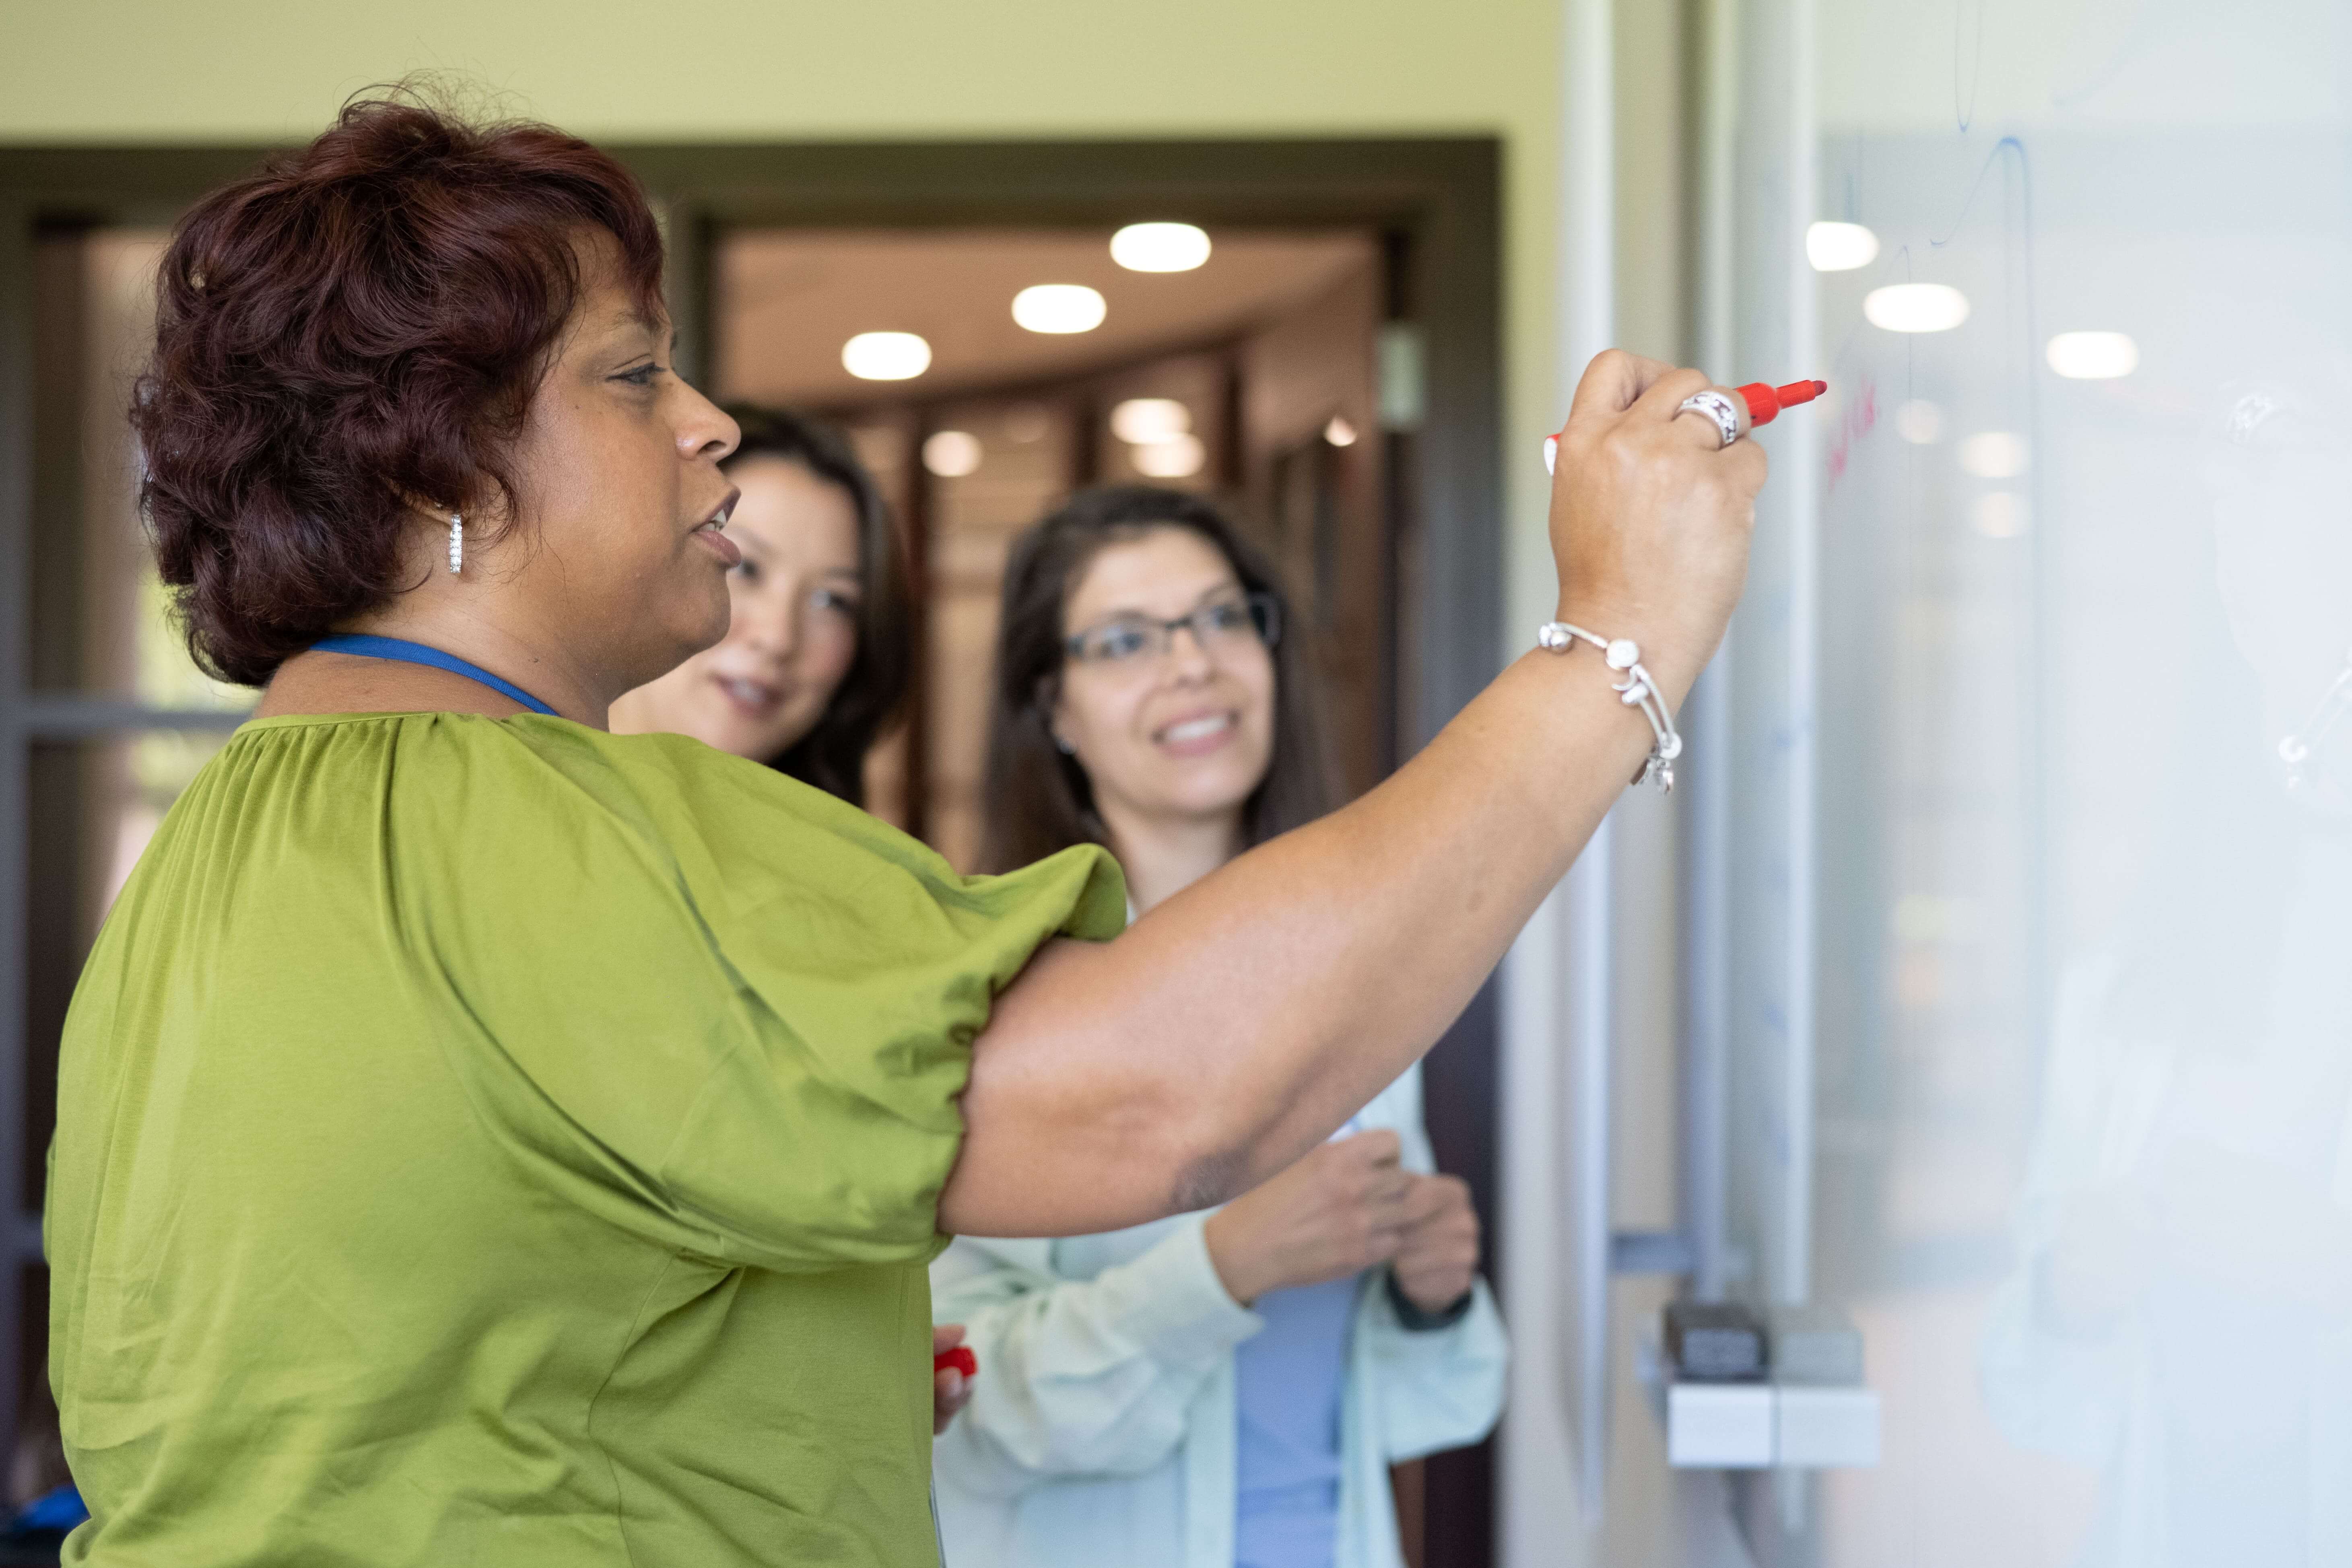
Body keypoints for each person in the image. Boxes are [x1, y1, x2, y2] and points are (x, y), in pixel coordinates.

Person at [45, 93, 1765, 1568]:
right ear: (438, 476)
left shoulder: (205, 865)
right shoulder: (566, 838)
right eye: (637, 374)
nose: (710, 418)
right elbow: (1167, 1102)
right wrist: (1617, 632)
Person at [932, 488, 1504, 1568]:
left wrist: (1432, 1293)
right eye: (1125, 641)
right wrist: (1218, 1270)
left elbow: (1418, 1411)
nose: (1191, 663)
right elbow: (969, 1412)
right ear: (1051, 708)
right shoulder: (991, 997)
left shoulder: (1362, 972)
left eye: (1222, 617)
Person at [608, 405, 909, 806]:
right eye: (746, 567)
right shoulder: (507, 803)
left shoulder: (837, 864)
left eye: (831, 600)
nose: (779, 638)